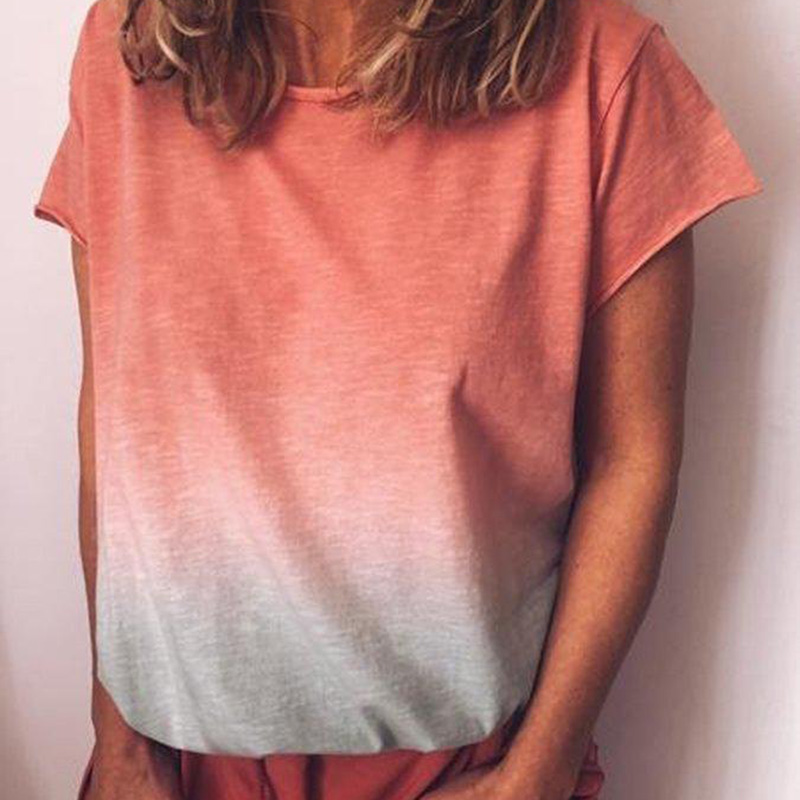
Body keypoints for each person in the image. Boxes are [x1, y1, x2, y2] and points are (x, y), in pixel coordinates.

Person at [32, 0, 763, 797]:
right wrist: (118, 739)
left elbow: (631, 457)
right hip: (173, 766)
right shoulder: (133, 52)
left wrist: (537, 773)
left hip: (465, 767)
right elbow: (117, 421)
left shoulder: (601, 72)